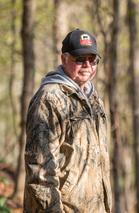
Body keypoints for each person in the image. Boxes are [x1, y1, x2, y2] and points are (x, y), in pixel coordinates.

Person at [24, 29, 112, 212]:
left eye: (92, 59)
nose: (87, 65)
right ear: (64, 59)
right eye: (79, 59)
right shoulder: (49, 99)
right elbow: (40, 172)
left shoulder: (94, 99)